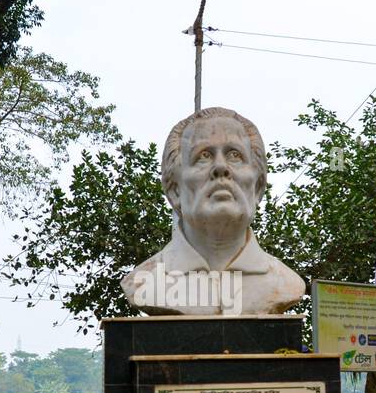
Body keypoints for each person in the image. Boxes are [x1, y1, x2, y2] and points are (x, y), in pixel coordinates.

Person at [122, 107, 306, 315]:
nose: (220, 167)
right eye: (203, 156)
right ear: (174, 190)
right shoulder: (145, 282)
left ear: (257, 188)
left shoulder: (285, 284)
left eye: (235, 155)